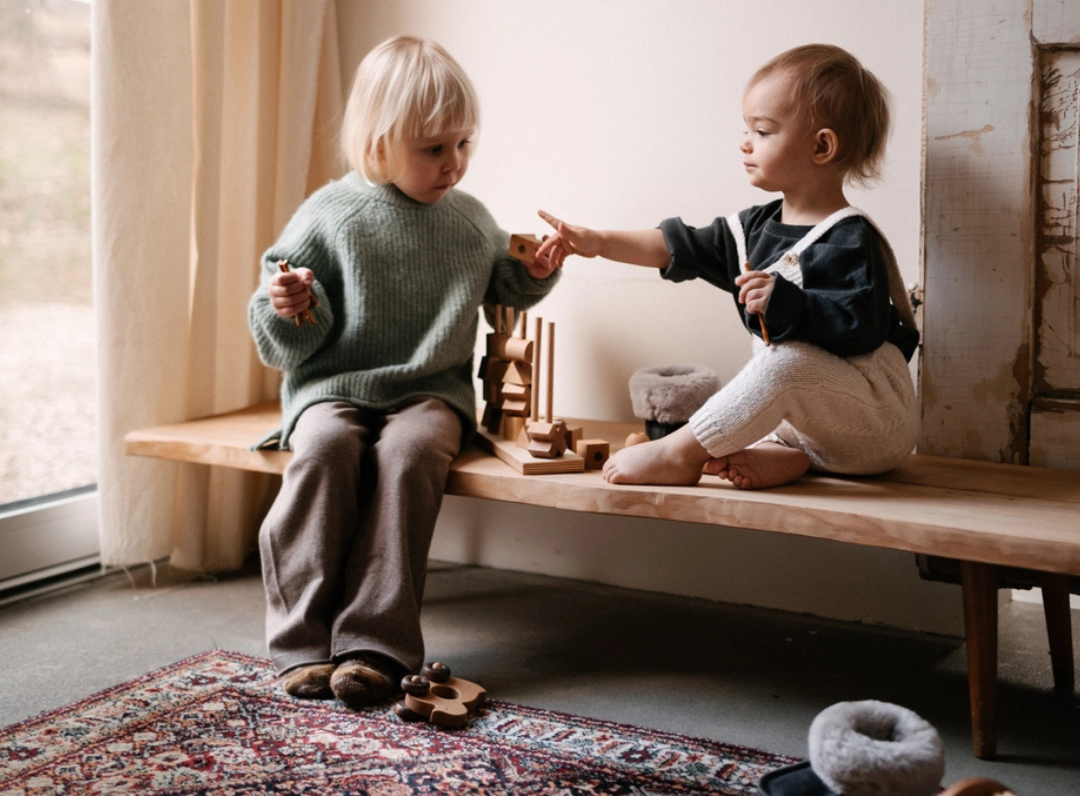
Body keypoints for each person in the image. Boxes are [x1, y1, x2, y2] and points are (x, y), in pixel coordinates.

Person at [248, 35, 559, 707]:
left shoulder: (471, 222)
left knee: (413, 452)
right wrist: (290, 304)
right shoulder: (330, 216)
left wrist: (536, 271)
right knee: (326, 447)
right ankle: (302, 640)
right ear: (379, 143)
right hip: (335, 386)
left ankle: (374, 643)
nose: (454, 164)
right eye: (433, 148)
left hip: (430, 391)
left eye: (464, 144)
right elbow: (278, 331)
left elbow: (506, 285)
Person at [535, 43, 919, 491]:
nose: (745, 142)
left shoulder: (849, 238)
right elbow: (676, 246)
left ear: (821, 146)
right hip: (813, 428)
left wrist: (788, 303)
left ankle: (679, 452)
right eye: (747, 129)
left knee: (786, 364)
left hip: (872, 425)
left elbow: (865, 328)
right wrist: (598, 243)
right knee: (774, 374)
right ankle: (787, 456)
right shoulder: (754, 228)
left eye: (762, 131)